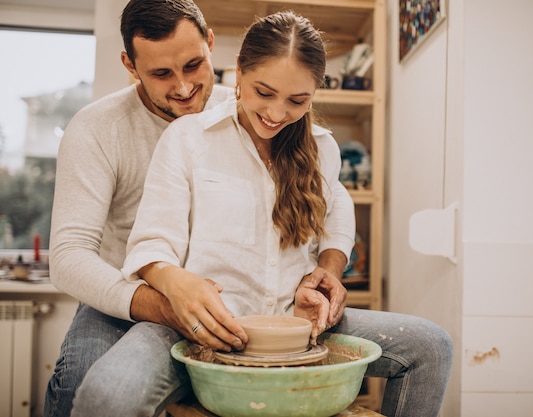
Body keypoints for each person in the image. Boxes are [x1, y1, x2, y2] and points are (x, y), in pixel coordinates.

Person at [119, 10, 453, 417]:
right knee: (108, 394)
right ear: (238, 72)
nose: (277, 114)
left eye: (298, 100)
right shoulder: (187, 139)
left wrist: (328, 271)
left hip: (297, 328)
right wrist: (174, 281)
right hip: (200, 327)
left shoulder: (321, 147)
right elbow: (152, 242)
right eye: (264, 92)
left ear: (315, 92)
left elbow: (337, 209)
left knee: (432, 347)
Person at [44, 1, 355, 416]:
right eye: (161, 73)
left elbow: (331, 193)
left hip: (218, 300)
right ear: (130, 65)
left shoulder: (254, 107)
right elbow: (68, 257)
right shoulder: (98, 128)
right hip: (122, 291)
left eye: (194, 65)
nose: (184, 87)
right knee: (83, 385)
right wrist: (163, 301)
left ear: (212, 46)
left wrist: (328, 267)